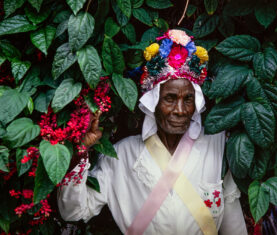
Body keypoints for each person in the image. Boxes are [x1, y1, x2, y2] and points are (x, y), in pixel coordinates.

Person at [58, 29, 247, 235]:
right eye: (170, 98)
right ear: (153, 102)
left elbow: (232, 218)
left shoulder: (217, 145)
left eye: (188, 99)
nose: (180, 110)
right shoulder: (121, 156)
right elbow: (73, 212)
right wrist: (80, 152)